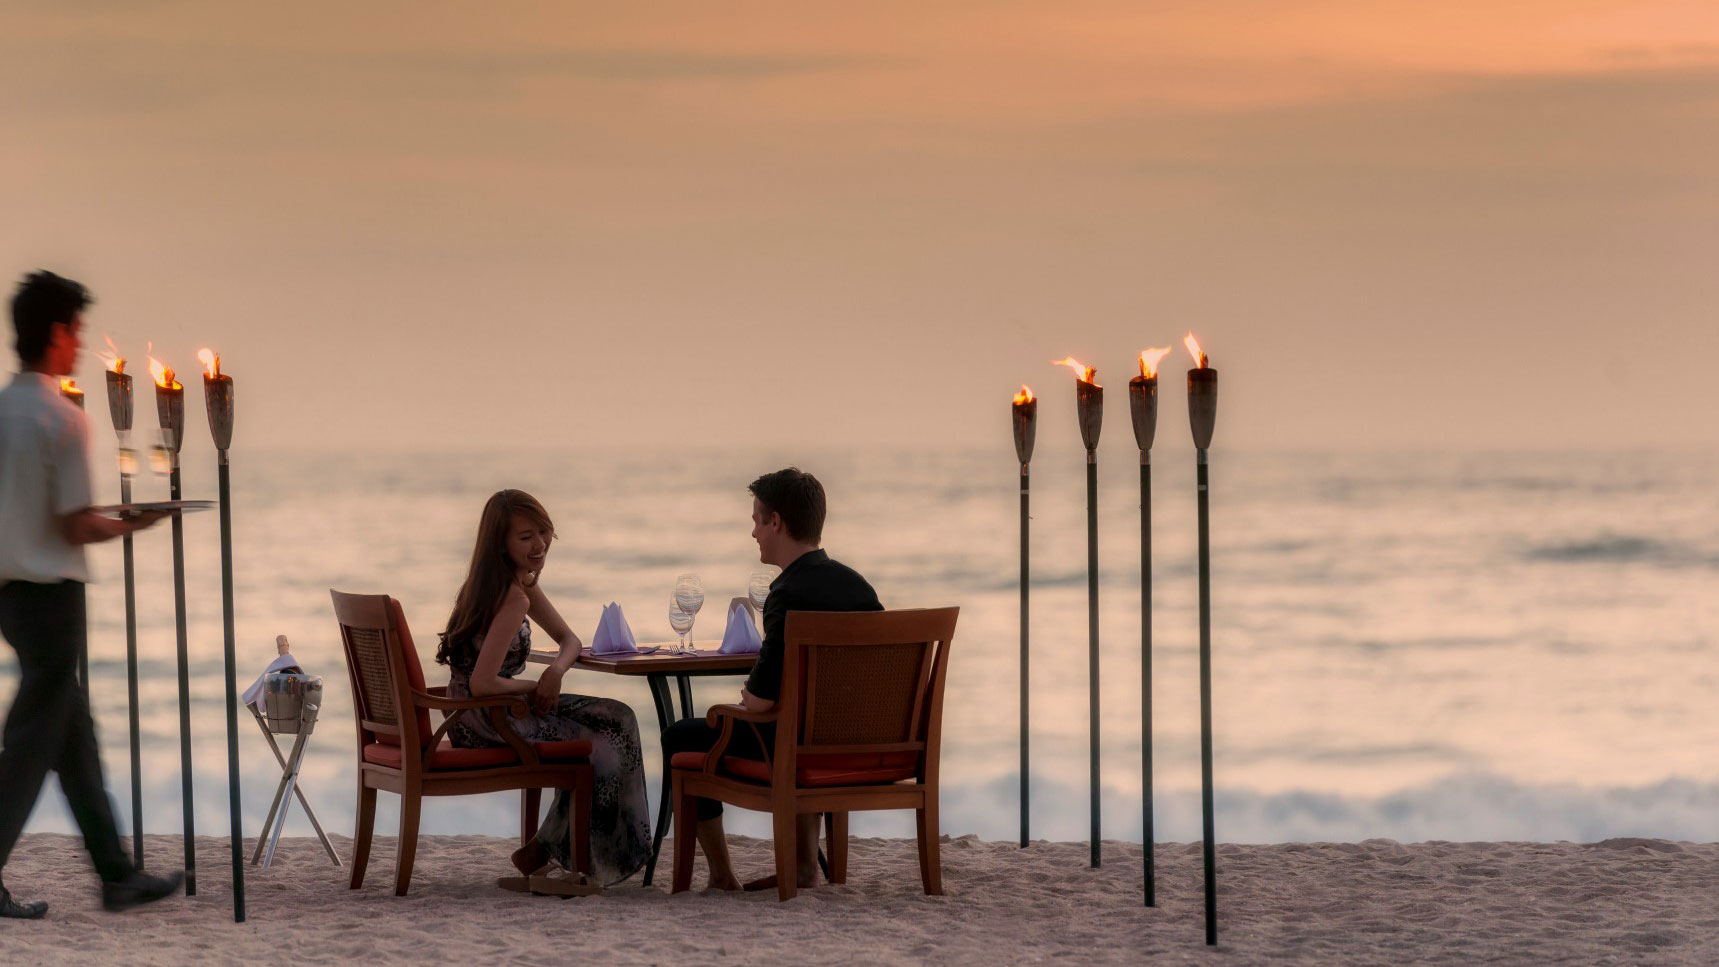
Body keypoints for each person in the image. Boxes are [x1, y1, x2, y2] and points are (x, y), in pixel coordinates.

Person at [0, 271, 184, 919]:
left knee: (72, 735)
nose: (79, 342)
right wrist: (138, 521)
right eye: (76, 329)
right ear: (56, 332)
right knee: (29, 742)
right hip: (53, 597)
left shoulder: (2, 411)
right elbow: (76, 522)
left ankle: (116, 873)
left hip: (10, 596)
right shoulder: (62, 418)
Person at [661, 467, 882, 892]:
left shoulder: (788, 592)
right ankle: (803, 867)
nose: (754, 534)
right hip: (856, 747)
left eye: (756, 522)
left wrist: (744, 697)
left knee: (681, 736)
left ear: (776, 522)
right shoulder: (860, 589)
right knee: (801, 724)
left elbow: (761, 702)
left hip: (794, 750)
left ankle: (723, 876)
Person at [438, 489, 651, 889]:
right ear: (499, 543)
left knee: (615, 717)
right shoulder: (513, 597)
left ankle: (547, 846)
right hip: (490, 719)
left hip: (475, 714)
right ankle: (586, 859)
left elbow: (570, 639)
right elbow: (483, 683)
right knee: (606, 735)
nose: (539, 545)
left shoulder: (506, 585)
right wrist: (537, 686)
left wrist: (555, 672)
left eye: (543, 532)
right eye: (525, 537)